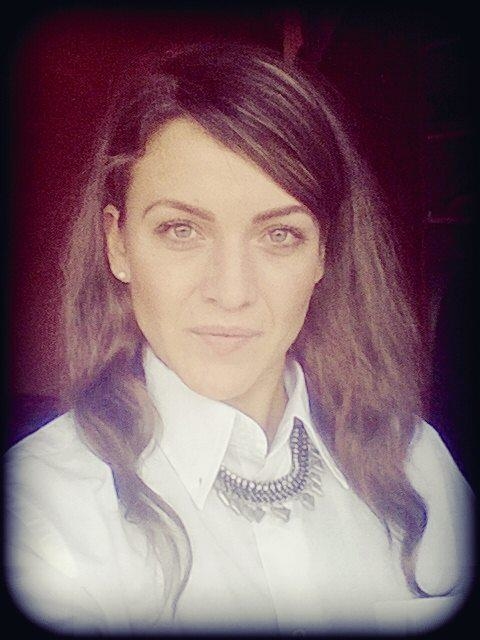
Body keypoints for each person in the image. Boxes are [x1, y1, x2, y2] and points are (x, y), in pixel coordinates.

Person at [5, 41, 473, 636]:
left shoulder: (417, 463)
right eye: (181, 229)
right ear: (118, 244)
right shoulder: (40, 518)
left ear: (323, 253)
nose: (231, 292)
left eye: (279, 235)